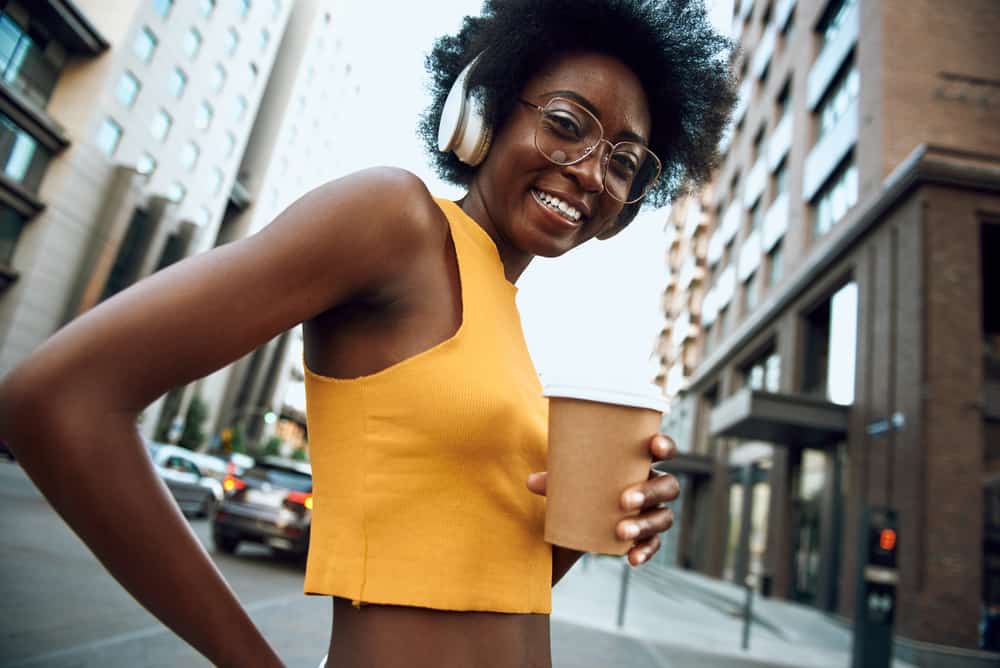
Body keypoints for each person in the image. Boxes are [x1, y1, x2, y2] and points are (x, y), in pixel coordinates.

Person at [0, 0, 734, 665]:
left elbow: (485, 586)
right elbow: (59, 399)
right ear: (482, 112)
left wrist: (599, 516)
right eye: (567, 125)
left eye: (624, 162)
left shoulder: (506, 320)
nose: (588, 171)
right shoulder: (394, 220)